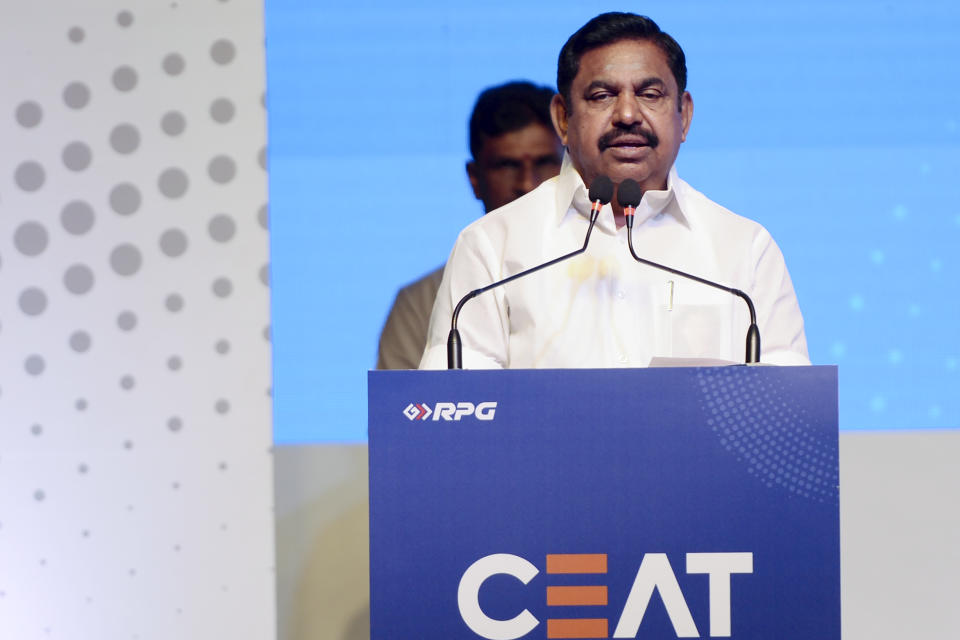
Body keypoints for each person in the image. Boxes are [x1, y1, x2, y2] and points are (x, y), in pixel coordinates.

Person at [419, 12, 809, 369]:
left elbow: (786, 421)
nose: (627, 115)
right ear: (563, 119)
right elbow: (452, 422)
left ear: (684, 116)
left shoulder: (745, 250)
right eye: (602, 96)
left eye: (650, 94)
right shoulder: (492, 246)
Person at [376, 81, 563, 369]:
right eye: (507, 165)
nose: (527, 183)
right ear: (475, 179)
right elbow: (404, 411)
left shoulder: (603, 277)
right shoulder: (420, 303)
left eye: (544, 162)